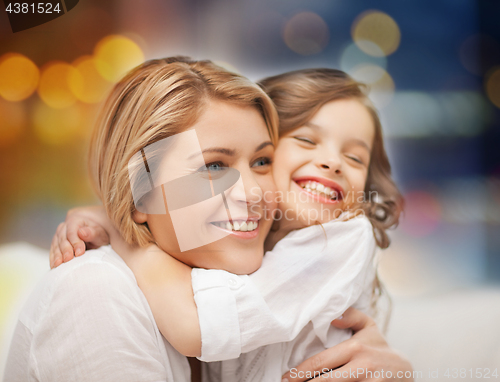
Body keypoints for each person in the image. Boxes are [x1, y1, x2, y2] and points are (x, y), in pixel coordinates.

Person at [47, 62, 412, 381]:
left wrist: (121, 232)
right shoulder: (97, 289)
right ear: (139, 192)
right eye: (215, 166)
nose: (252, 192)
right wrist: (119, 217)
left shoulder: (337, 240)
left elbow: (195, 327)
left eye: (260, 162)